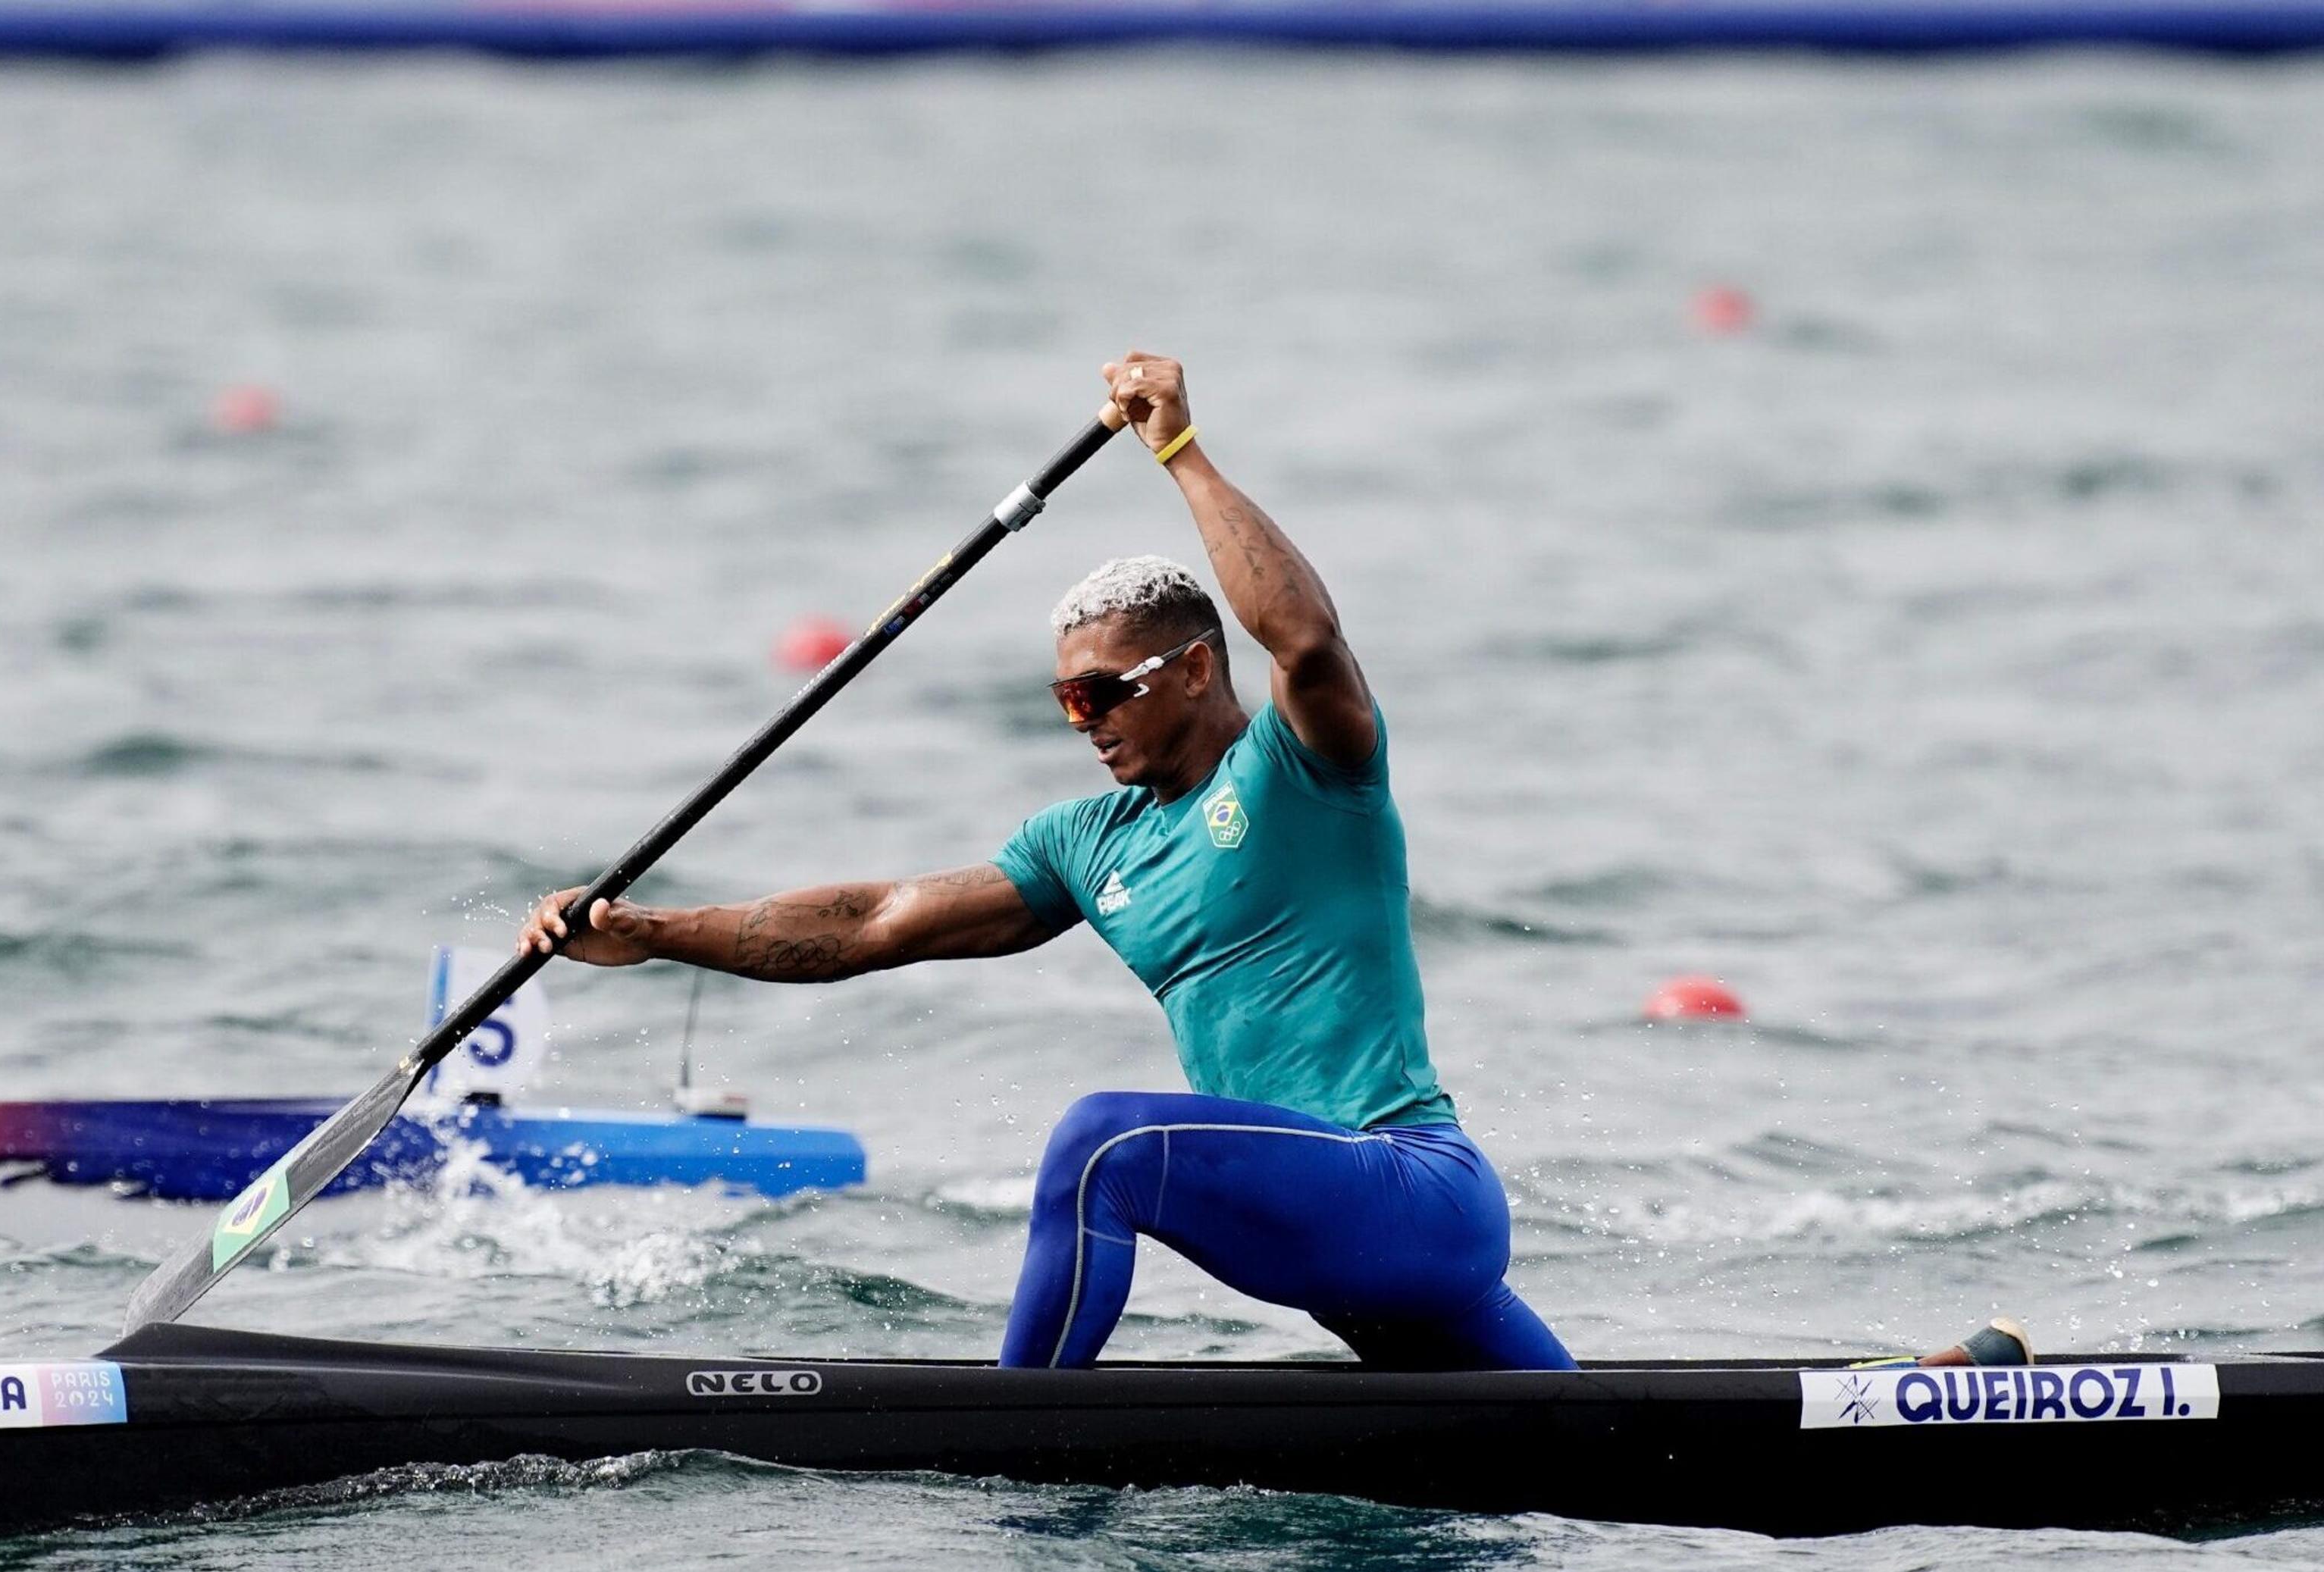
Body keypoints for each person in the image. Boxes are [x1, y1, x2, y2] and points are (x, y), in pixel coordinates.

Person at [522, 352, 2006, 1373]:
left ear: (1190, 670)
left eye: (1105, 689)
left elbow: (1305, 635)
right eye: (1061, 697)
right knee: (1605, 1439)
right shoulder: (1086, 844)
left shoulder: (1302, 762)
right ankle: (1923, 1383)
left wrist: (1178, 449)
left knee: (1102, 1144)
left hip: (1408, 1192)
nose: (1081, 719)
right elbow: (865, 923)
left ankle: (1019, 1446)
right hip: (1331, 1243)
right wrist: (654, 933)